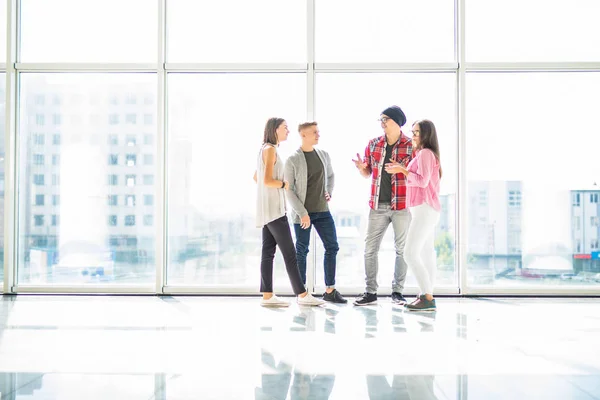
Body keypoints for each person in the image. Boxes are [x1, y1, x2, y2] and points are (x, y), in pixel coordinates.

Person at [254, 117, 325, 307]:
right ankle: (302, 295)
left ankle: (267, 296)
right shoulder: (270, 149)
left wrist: (273, 185)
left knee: (268, 252)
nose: (288, 131)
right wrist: (284, 184)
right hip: (275, 211)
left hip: (267, 210)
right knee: (290, 254)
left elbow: (257, 177)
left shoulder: (265, 149)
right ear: (275, 129)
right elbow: (268, 180)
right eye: (285, 128)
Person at [351, 106, 413, 306]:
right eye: (381, 119)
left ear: (397, 122)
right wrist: (362, 169)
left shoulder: (411, 146)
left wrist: (401, 169)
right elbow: (367, 172)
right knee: (370, 249)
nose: (382, 122)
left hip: (401, 206)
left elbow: (416, 175)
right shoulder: (374, 144)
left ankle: (398, 292)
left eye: (385, 119)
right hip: (377, 206)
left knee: (402, 250)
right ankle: (370, 293)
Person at [284, 122, 347, 304]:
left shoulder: (323, 155)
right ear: (303, 135)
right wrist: (303, 213)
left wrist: (329, 190)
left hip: (322, 211)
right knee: (302, 250)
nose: (318, 135)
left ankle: (330, 290)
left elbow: (331, 176)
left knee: (332, 246)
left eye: (318, 132)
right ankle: (302, 293)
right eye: (314, 132)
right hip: (303, 213)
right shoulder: (293, 160)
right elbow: (289, 190)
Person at [388, 119, 441, 311]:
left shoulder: (426, 153)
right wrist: (402, 168)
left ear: (427, 134)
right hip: (425, 209)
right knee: (426, 254)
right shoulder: (423, 154)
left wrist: (402, 169)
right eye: (413, 131)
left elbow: (423, 181)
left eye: (417, 132)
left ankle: (427, 297)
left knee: (410, 253)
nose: (413, 135)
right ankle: (426, 294)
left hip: (425, 210)